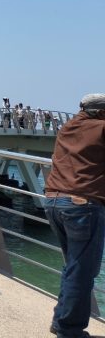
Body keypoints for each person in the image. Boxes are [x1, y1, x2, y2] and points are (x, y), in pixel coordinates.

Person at [44, 93, 105, 338]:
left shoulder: (67, 127)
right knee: (83, 270)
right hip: (83, 204)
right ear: (101, 112)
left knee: (73, 266)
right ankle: (69, 330)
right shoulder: (102, 128)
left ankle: (60, 320)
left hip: (54, 201)